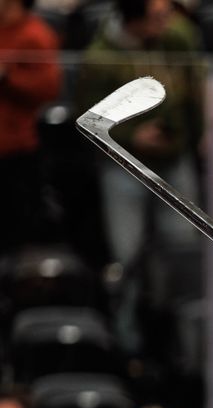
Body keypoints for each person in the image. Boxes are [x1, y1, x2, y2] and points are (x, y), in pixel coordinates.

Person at [76, 0, 201, 333]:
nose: (168, 21)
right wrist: (132, 135)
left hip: (175, 159)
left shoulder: (178, 38)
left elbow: (196, 90)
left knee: (181, 248)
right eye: (158, 17)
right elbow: (88, 121)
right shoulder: (101, 57)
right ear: (135, 20)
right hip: (122, 166)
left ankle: (180, 337)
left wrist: (195, 137)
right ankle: (127, 337)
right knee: (127, 254)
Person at [0, 0, 61, 255]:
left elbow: (48, 87)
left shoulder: (35, 34)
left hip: (15, 150)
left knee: (17, 232)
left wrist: (7, 76)